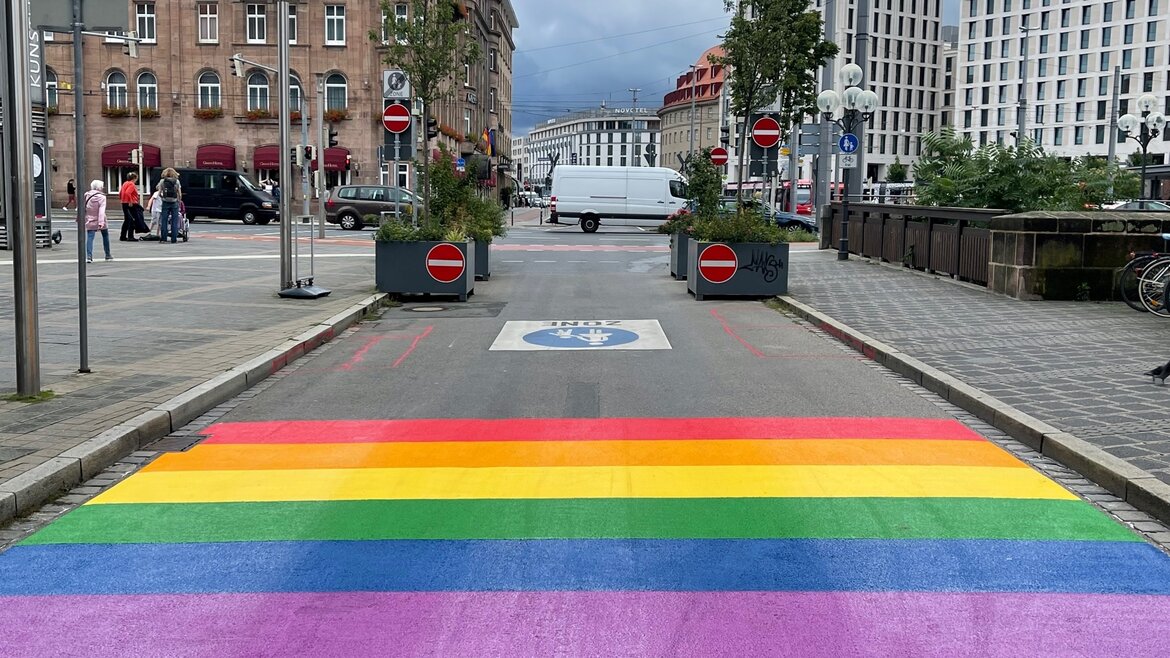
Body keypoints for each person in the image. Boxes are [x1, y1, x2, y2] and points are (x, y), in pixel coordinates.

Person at [82, 180, 112, 263]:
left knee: (90, 237)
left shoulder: (86, 195)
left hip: (90, 218)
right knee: (105, 236)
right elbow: (101, 210)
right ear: (99, 187)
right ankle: (107, 254)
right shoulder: (102, 197)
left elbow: (83, 207)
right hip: (100, 218)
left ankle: (89, 256)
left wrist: (79, 217)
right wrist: (101, 222)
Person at [158, 167, 183, 244]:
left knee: (164, 221)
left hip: (165, 202)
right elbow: (179, 193)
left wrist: (163, 198)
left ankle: (163, 238)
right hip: (174, 202)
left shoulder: (162, 181)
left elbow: (159, 193)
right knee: (174, 221)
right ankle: (174, 239)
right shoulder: (177, 181)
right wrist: (179, 200)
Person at [119, 172, 142, 241]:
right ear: (134, 178)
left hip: (124, 202)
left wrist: (122, 199)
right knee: (132, 219)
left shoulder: (125, 183)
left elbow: (121, 193)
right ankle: (130, 236)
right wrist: (131, 201)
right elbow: (128, 192)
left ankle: (123, 236)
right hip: (130, 203)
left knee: (126, 220)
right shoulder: (132, 184)